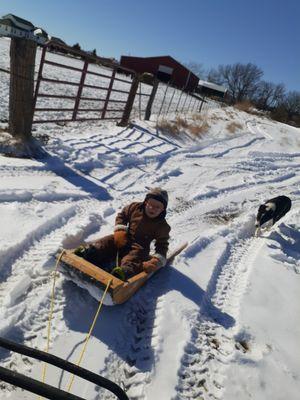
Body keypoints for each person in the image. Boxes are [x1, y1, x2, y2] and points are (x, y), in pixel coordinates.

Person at [75, 188, 171, 280]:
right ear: (146, 202)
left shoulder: (162, 226)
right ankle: (90, 252)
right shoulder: (135, 208)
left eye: (157, 207)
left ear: (163, 209)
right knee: (108, 241)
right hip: (124, 238)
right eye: (150, 204)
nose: (152, 208)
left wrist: (156, 261)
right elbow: (122, 215)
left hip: (139, 247)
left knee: (133, 258)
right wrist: (120, 230)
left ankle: (123, 272)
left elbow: (162, 244)